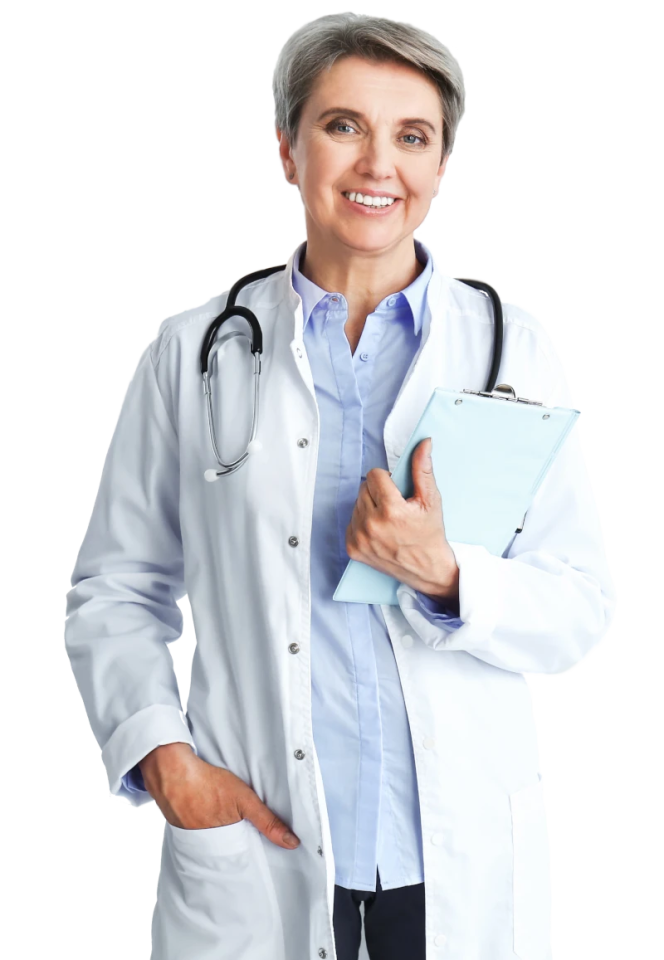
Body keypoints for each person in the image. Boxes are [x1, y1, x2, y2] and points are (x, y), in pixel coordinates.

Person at [63, 11, 617, 960]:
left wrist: (448, 577)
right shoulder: (191, 352)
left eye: (412, 136)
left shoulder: (509, 348)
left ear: (441, 167)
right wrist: (165, 760)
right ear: (287, 149)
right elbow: (114, 592)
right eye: (343, 125)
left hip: (449, 862)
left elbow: (580, 606)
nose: (378, 166)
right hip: (255, 839)